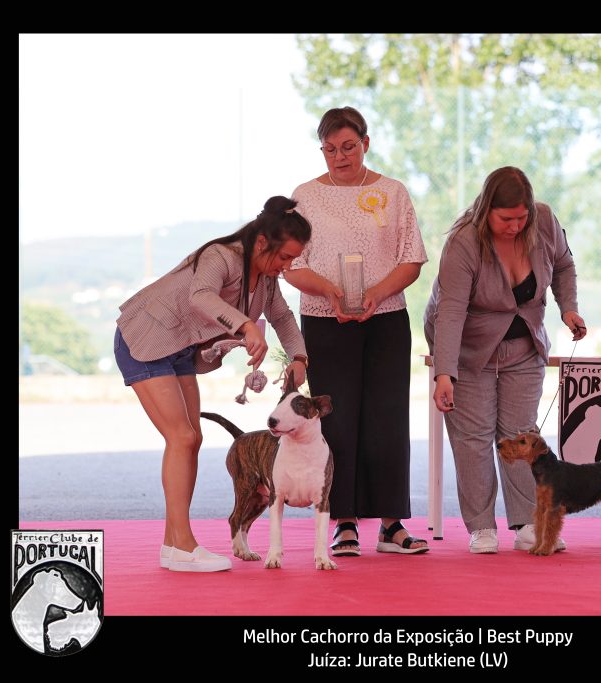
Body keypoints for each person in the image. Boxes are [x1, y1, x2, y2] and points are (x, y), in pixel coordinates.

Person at [115, 196, 312, 572]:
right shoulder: (221, 255)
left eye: (293, 260)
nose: (287, 267)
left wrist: (299, 358)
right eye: (284, 257)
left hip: (177, 348)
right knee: (183, 437)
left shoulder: (267, 281)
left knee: (193, 438)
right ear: (261, 243)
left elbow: (285, 319)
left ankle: (173, 546)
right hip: (145, 337)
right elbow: (200, 295)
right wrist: (246, 325)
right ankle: (185, 545)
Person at [284, 106, 429, 556]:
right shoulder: (304, 196)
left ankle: (391, 523)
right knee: (336, 419)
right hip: (325, 319)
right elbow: (293, 265)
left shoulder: (393, 191)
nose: (339, 157)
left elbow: (412, 258)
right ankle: (342, 521)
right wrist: (331, 293)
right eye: (330, 149)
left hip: (385, 318)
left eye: (348, 147)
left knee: (387, 417)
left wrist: (376, 294)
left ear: (365, 143)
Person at [424, 166, 586, 553]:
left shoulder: (544, 220)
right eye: (505, 219)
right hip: (467, 346)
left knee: (520, 434)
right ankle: (481, 527)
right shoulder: (463, 242)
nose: (515, 226)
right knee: (474, 438)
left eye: (521, 217)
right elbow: (451, 312)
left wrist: (568, 309)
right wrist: (444, 373)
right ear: (486, 212)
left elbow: (563, 264)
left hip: (523, 345)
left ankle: (529, 523)